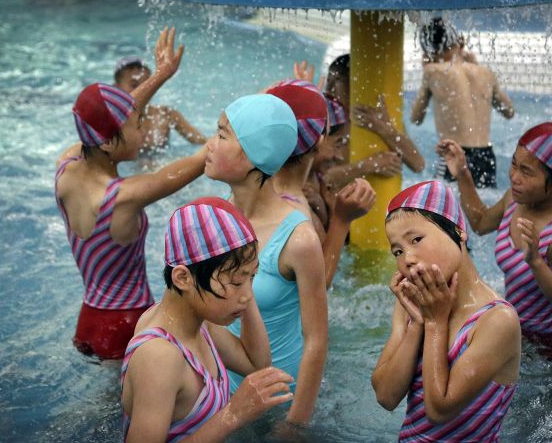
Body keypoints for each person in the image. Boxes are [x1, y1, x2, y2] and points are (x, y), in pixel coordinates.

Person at [55, 27, 209, 360]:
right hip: (127, 323)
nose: (144, 130)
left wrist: (161, 76)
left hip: (91, 318)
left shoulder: (66, 166)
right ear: (110, 143)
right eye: (137, 126)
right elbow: (201, 159)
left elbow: (110, 121)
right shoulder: (124, 196)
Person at [120, 198, 295, 442]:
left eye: (252, 277)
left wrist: (242, 287)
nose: (247, 294)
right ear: (183, 278)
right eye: (235, 282)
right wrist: (232, 415)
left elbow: (255, 365)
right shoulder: (160, 356)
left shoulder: (200, 322)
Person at [202, 93, 327, 427]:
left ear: (255, 156)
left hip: (275, 404)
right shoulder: (214, 217)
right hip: (215, 395)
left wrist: (295, 424)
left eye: (222, 134)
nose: (208, 143)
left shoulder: (298, 238)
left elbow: (316, 339)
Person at [372, 180, 521, 441]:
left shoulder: (497, 320)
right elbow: (386, 396)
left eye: (416, 239)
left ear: (458, 231)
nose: (407, 258)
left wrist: (435, 322)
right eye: (397, 250)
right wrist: (416, 324)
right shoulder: (411, 302)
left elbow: (440, 409)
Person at [437, 122, 552, 354]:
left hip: (550, 346)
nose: (514, 177)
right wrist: (462, 173)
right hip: (513, 333)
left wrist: (536, 261)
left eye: (527, 172)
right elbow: (479, 223)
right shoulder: (514, 199)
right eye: (514, 164)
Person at [266, 79, 376, 288]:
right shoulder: (299, 211)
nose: (338, 154)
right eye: (337, 143)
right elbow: (319, 281)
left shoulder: (259, 181)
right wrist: (341, 220)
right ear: (319, 140)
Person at [294, 55, 424, 193]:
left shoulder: (380, 116)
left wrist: (385, 129)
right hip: (337, 206)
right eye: (329, 82)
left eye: (335, 82)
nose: (329, 89)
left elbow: (418, 164)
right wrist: (368, 165)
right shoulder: (325, 121)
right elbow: (317, 179)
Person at [412, 17, 515, 188]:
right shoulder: (484, 72)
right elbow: (509, 112)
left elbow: (416, 118)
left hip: (454, 156)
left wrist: (426, 70)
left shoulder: (433, 71)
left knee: (440, 209)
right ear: (460, 43)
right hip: (486, 156)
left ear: (428, 50)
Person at [115, 55, 208, 149]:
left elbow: (203, 143)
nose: (142, 89)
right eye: (134, 85)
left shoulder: (166, 114)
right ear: (116, 87)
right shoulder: (115, 119)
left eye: (146, 84)